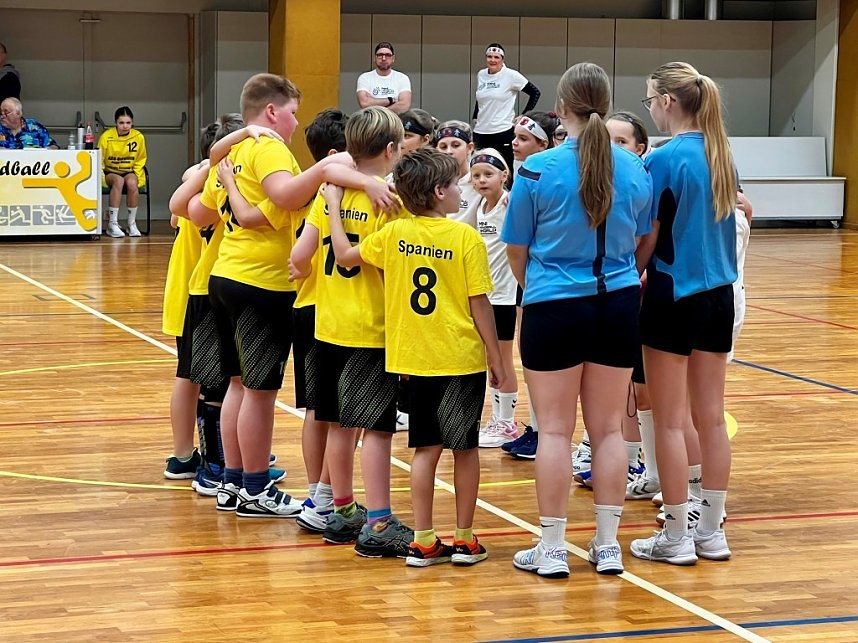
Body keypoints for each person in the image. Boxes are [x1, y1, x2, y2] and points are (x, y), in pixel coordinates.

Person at [503, 62, 653, 578]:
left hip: (552, 307)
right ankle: (608, 545)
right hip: (616, 306)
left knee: (554, 433)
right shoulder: (635, 168)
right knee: (610, 431)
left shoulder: (537, 170)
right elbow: (641, 240)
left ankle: (551, 548)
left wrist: (540, 288)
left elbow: (516, 250)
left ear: (560, 108)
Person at [322, 147, 503, 567]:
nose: (462, 190)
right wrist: (497, 359)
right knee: (465, 450)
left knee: (425, 450)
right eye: (456, 184)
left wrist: (333, 207)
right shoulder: (465, 238)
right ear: (440, 192)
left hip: (414, 361)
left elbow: (347, 255)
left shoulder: (395, 234)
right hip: (460, 359)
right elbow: (480, 306)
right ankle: (464, 538)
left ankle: (423, 540)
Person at [289, 106, 414, 557]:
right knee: (377, 431)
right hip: (369, 327)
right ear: (390, 150)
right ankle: (378, 521)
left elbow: (301, 256)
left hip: (328, 324)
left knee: (339, 423)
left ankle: (342, 510)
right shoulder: (388, 200)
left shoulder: (333, 192)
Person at [629, 62, 739, 566]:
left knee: (672, 423)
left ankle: (675, 536)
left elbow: (647, 237)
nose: (649, 107)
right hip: (719, 297)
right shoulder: (722, 154)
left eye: (650, 99)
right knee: (710, 419)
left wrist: (629, 274)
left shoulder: (664, 158)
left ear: (668, 102)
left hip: (672, 295)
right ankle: (712, 531)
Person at [464, 149, 518, 449]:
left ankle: (507, 422)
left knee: (503, 359)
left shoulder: (509, 204)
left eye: (488, 174)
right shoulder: (481, 207)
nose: (482, 180)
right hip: (486, 294)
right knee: (489, 359)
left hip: (504, 296)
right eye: (476, 175)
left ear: (503, 175)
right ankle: (498, 417)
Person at [473, 43, 540, 171]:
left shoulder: (511, 75)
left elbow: (535, 93)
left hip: (502, 130)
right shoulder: (481, 74)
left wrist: (524, 115)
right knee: (481, 167)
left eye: (496, 57)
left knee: (504, 168)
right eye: (489, 57)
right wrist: (475, 116)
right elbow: (481, 98)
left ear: (502, 59)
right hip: (480, 131)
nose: (492, 60)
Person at [98, 106, 147, 238]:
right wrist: (101, 179)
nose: (125, 126)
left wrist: (138, 178)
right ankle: (112, 224)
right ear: (116, 123)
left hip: (128, 170)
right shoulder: (106, 137)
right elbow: (99, 160)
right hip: (110, 172)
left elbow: (140, 159)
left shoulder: (138, 137)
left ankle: (131, 224)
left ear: (132, 123)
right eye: (121, 123)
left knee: (132, 183)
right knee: (118, 181)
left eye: (128, 123)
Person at [434, 120, 477, 228]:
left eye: (456, 145)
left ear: (469, 148)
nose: (449, 151)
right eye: (443, 147)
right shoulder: (429, 180)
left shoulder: (480, 181)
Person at [356, 42, 412, 114]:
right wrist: (391, 100)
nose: (383, 58)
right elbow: (364, 103)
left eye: (388, 55)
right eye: (380, 55)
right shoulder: (365, 78)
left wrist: (375, 105)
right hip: (372, 123)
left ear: (393, 58)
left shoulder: (402, 78)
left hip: (395, 123)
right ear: (374, 58)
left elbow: (404, 105)